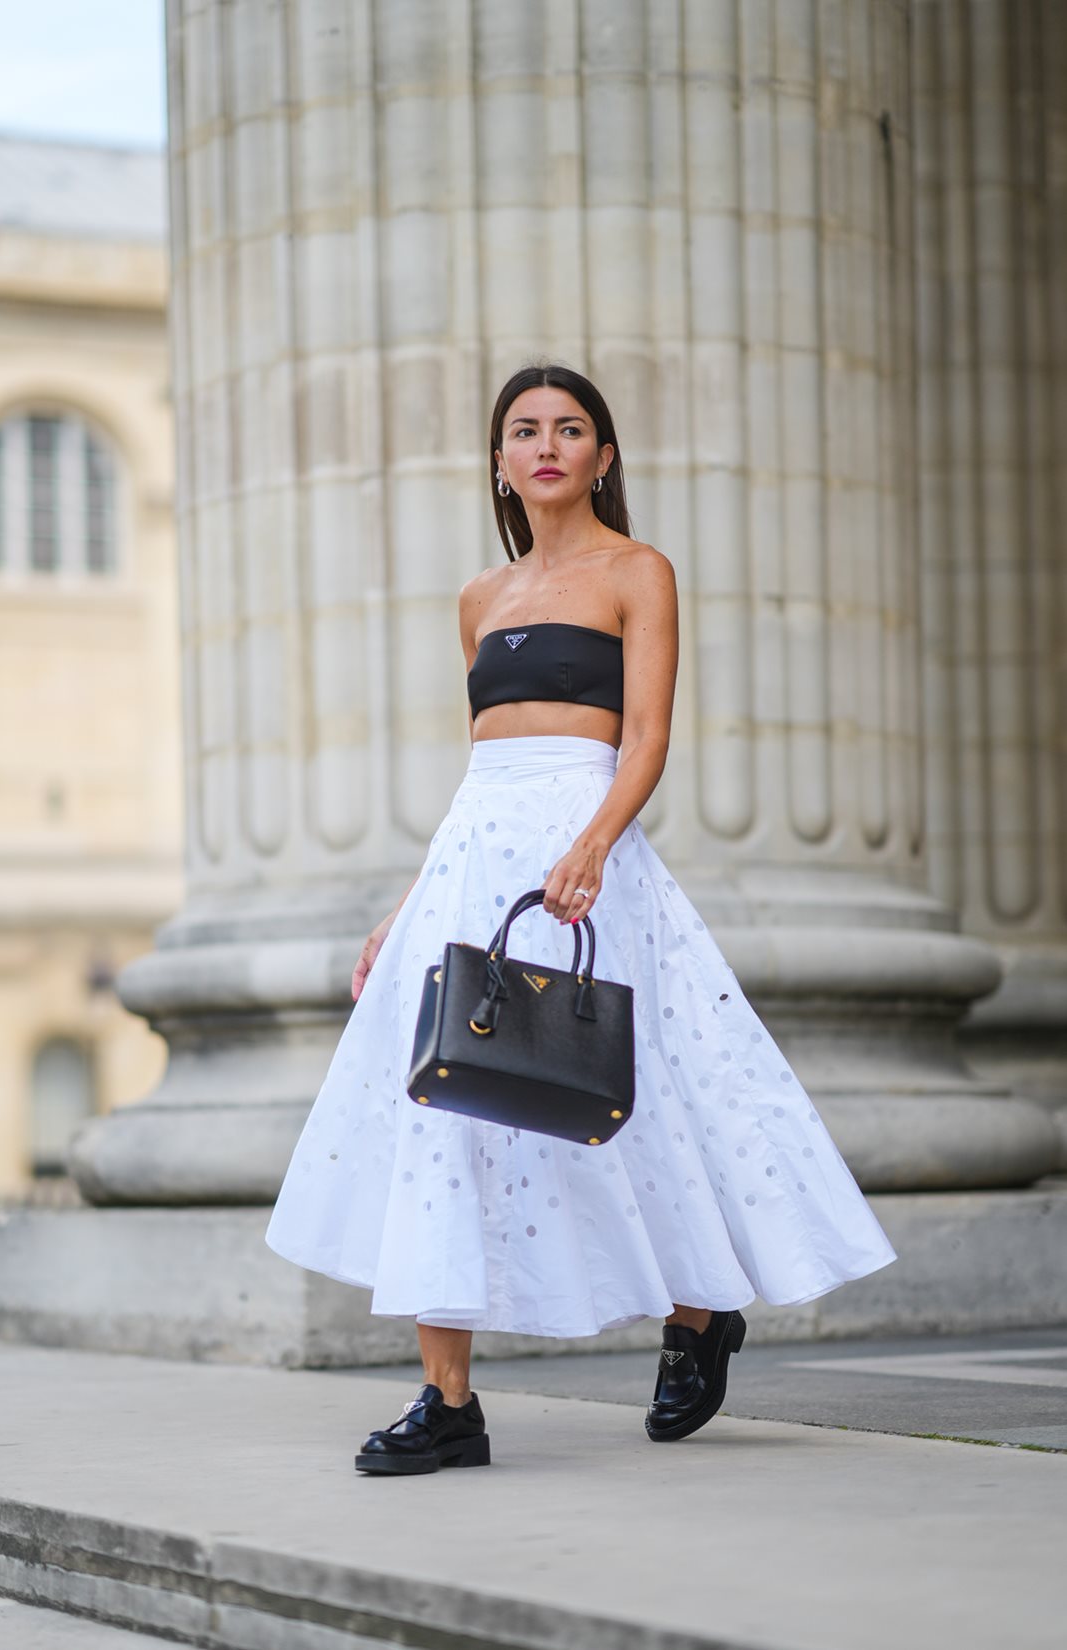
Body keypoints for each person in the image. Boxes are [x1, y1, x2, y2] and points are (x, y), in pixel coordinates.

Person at [265, 361, 898, 1476]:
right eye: (523, 431)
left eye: (569, 429)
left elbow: (644, 736)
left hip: (587, 851)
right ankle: (447, 1402)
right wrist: (407, 904)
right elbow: (477, 772)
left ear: (603, 456)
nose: (546, 445)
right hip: (476, 862)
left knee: (641, 1090)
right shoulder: (480, 598)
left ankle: (700, 1314)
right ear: (500, 460)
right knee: (441, 1102)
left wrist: (593, 845)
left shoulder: (635, 571)